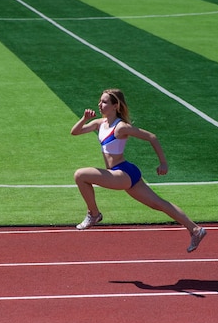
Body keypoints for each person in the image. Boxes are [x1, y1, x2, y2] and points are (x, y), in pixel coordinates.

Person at [70, 88, 206, 252]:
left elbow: (151, 137)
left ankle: (94, 214)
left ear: (115, 106)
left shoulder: (120, 127)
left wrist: (163, 163)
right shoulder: (100, 123)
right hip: (127, 173)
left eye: (104, 102)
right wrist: (84, 118)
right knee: (159, 204)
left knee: (80, 175)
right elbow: (75, 132)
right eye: (100, 101)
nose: (100, 104)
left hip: (122, 173)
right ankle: (195, 230)